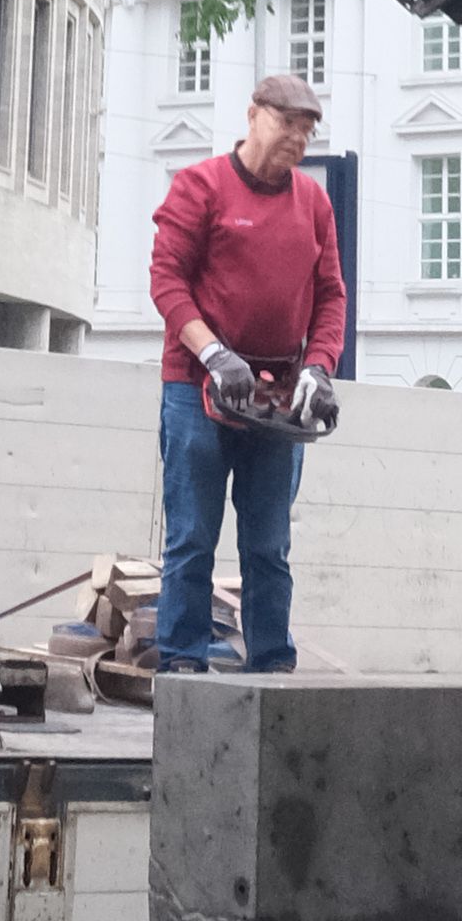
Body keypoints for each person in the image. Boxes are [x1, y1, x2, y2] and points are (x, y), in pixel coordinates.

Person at [152, 70, 345, 674]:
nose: (298, 138)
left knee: (268, 545)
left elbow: (331, 295)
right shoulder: (199, 187)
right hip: (197, 386)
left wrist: (319, 367)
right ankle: (182, 665)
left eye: (308, 129)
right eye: (288, 122)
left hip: (277, 397)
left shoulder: (312, 203)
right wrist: (213, 352)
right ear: (253, 114)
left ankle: (271, 668)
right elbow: (167, 280)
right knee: (191, 539)